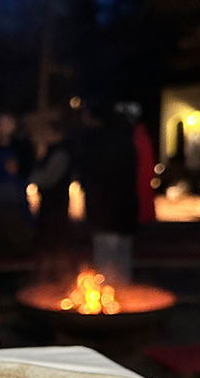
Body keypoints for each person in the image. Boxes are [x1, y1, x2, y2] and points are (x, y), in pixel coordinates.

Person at [82, 103, 140, 281]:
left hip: (105, 215)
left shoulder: (99, 144)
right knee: (122, 262)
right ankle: (122, 301)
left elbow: (93, 178)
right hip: (124, 214)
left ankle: (111, 302)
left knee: (106, 262)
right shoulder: (128, 142)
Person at [0, 113, 36, 258]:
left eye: (6, 123)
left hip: (16, 199)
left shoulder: (21, 146)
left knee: (17, 233)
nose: (1, 127)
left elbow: (28, 168)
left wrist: (18, 169)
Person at [28, 115, 73, 254]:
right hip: (49, 204)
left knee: (54, 241)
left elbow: (47, 178)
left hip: (56, 205)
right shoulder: (52, 151)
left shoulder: (60, 153)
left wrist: (28, 178)